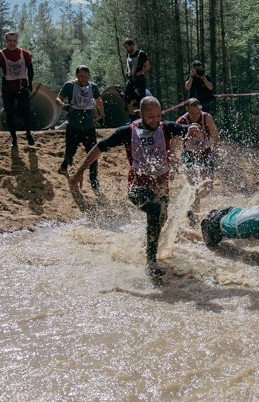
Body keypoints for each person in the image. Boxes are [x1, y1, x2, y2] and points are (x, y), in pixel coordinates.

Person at [68, 96, 191, 278]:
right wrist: (79, 172)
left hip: (161, 186)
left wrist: (195, 129)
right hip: (136, 187)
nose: (155, 120)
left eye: (158, 115)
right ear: (140, 114)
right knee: (156, 211)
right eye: (150, 116)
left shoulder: (167, 128)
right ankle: (151, 262)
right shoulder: (127, 132)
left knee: (161, 218)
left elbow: (189, 129)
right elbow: (99, 148)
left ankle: (148, 248)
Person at [0, 31, 36, 149]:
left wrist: (30, 82)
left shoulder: (25, 54)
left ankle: (29, 134)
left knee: (25, 110)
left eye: (14, 41)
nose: (12, 43)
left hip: (22, 87)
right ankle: (14, 139)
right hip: (8, 88)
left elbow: (30, 70)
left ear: (17, 41)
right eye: (9, 41)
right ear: (6, 41)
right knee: (9, 113)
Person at [57, 65, 104, 183]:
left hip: (88, 126)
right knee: (70, 151)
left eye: (87, 76)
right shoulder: (69, 86)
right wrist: (64, 106)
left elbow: (99, 101)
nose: (84, 79)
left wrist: (102, 116)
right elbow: (58, 99)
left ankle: (94, 179)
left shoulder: (93, 87)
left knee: (93, 152)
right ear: (77, 74)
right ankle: (64, 167)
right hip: (73, 125)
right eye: (82, 76)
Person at [176, 98, 220, 220]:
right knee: (194, 186)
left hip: (205, 153)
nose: (195, 116)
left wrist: (215, 151)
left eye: (197, 113)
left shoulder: (206, 117)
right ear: (187, 110)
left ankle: (193, 204)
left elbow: (216, 136)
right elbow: (174, 142)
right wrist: (174, 160)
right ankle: (194, 217)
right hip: (189, 155)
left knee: (208, 186)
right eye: (192, 113)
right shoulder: (181, 121)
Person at [122, 38, 151, 116]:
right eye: (125, 48)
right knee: (126, 98)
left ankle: (143, 116)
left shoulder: (141, 54)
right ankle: (133, 116)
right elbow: (128, 65)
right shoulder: (128, 54)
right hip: (131, 80)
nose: (126, 49)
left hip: (140, 80)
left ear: (132, 45)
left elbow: (147, 67)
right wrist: (127, 71)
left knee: (142, 100)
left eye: (127, 47)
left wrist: (139, 73)